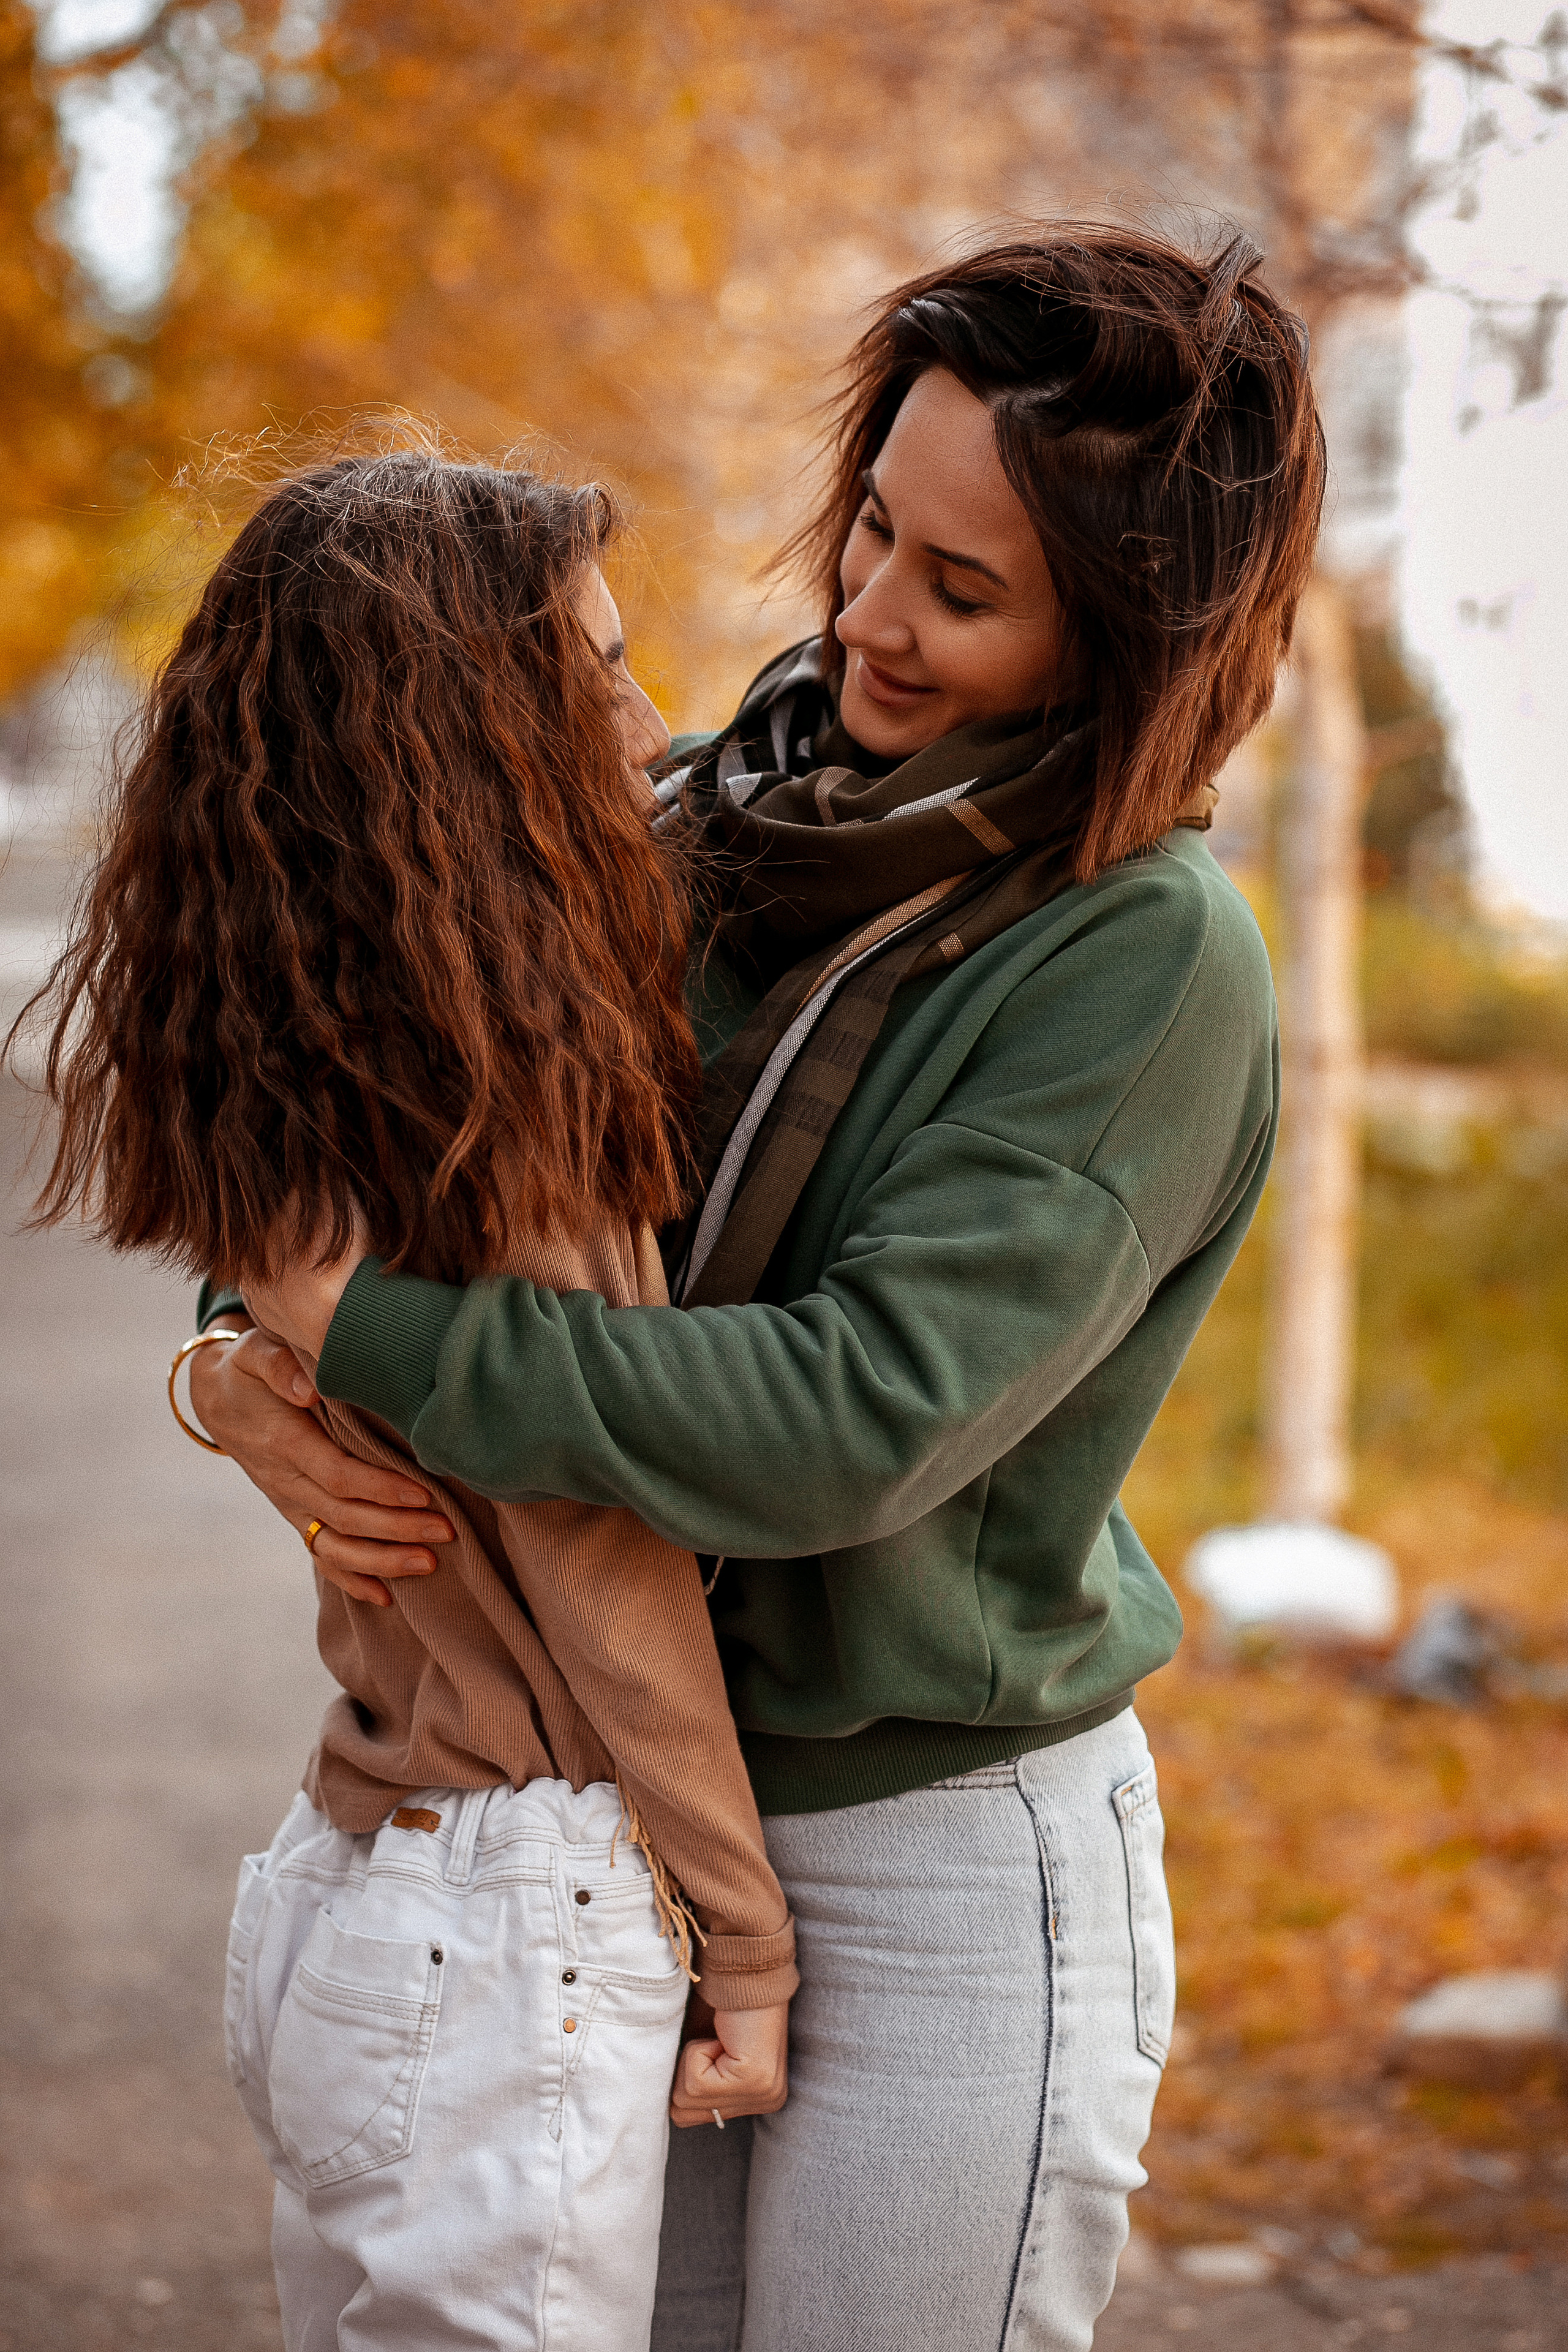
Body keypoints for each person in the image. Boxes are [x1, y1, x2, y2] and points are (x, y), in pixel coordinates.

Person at [195, 224, 1324, 2352]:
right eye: (876, 527)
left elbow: (846, 1420)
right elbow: (384, 1160)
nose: (868, 615)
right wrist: (239, 1369)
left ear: (1127, 639)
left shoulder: (1144, 961)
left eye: (964, 591)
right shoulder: (701, 816)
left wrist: (379, 1343)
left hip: (934, 1863)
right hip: (621, 1828)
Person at [18, 451, 797, 2352]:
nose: (654, 729)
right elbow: (601, 1562)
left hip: (351, 1878)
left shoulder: (311, 1052)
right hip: (511, 1915)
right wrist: (750, 1935)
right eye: (596, 677)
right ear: (466, 752)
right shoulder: (513, 1105)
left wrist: (223, 1373)